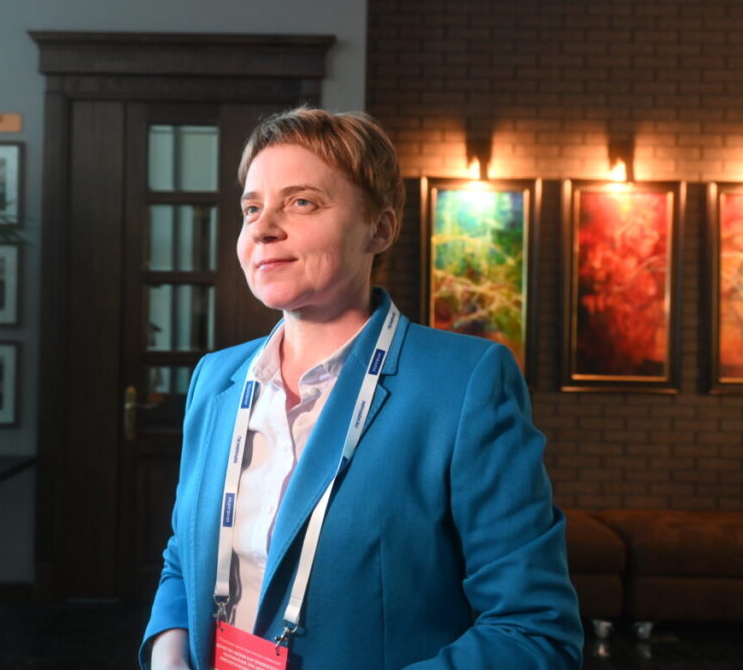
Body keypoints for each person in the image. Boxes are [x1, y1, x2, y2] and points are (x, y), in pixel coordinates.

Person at [140, 108, 583, 669]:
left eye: (301, 202)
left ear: (380, 228)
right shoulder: (216, 379)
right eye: (252, 208)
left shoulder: (465, 385)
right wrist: (168, 652)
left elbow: (533, 630)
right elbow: (185, 558)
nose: (263, 227)